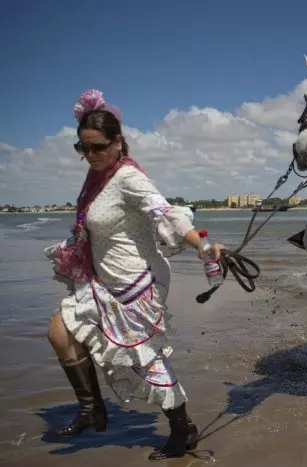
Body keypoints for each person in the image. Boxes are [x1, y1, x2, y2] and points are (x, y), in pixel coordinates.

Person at [44, 89, 226, 460]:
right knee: (59, 331)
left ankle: (182, 429)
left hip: (137, 282)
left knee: (146, 360)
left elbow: (166, 213)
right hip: (104, 278)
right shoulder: (96, 178)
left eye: (96, 147)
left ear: (117, 143)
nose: (90, 156)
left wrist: (202, 245)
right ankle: (90, 408)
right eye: (82, 148)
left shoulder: (128, 177)